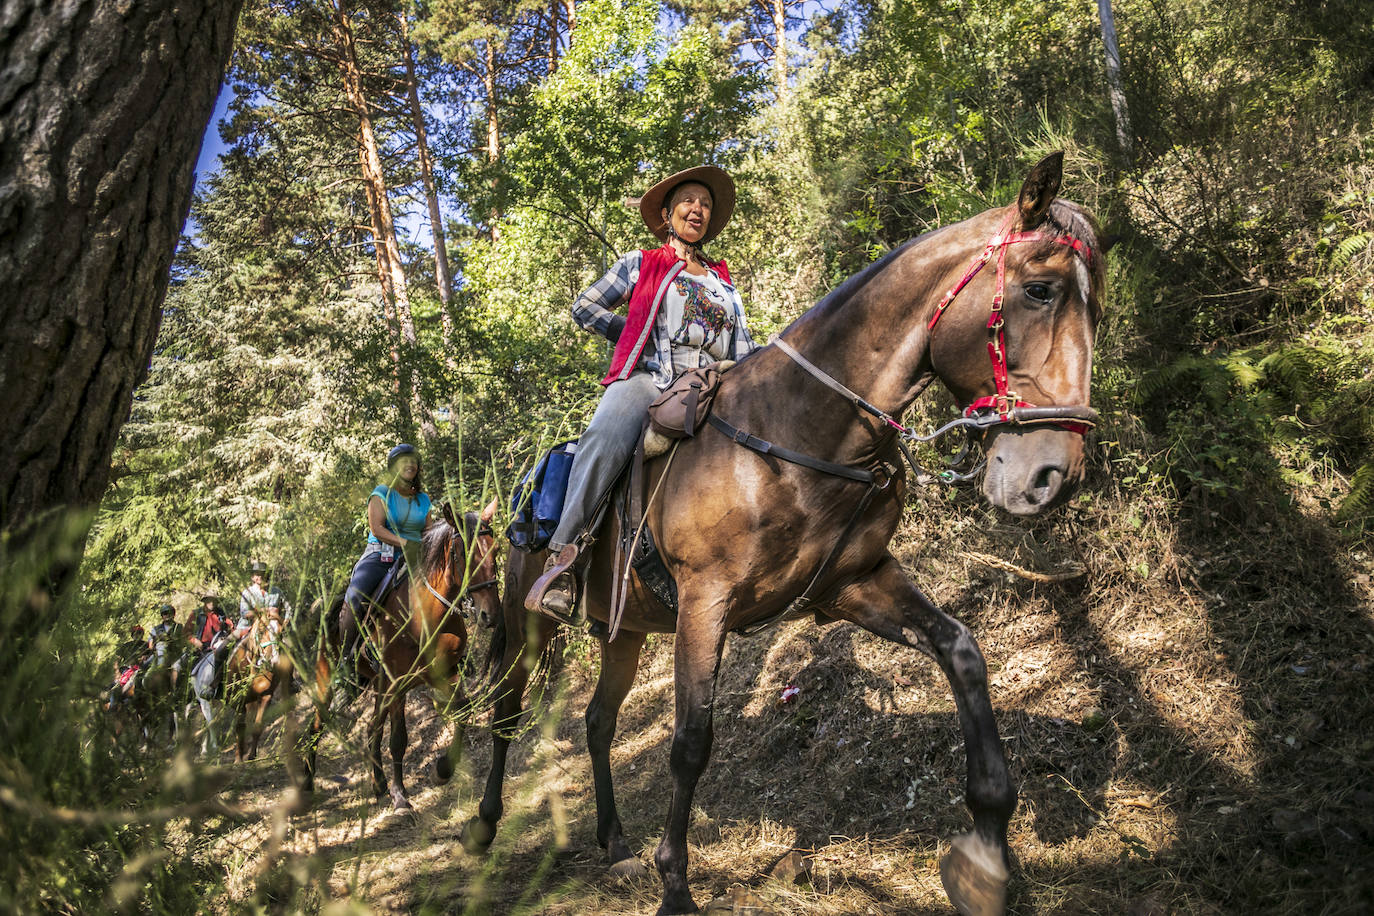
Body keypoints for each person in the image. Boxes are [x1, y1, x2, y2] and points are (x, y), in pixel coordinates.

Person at [526, 165, 757, 621]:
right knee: (604, 438)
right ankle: (565, 562)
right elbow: (584, 306)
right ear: (668, 215)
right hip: (651, 378)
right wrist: (634, 334)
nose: (699, 209)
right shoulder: (640, 263)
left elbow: (745, 348)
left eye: (706, 204)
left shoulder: (724, 282)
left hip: (715, 383)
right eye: (689, 201)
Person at [338, 443, 433, 679]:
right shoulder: (382, 493)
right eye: (404, 461)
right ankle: (345, 656)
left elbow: (429, 532)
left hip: (416, 558)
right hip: (381, 554)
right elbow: (377, 528)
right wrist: (405, 543)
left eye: (413, 461)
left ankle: (456, 651)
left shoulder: (423, 499)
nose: (410, 464)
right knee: (355, 596)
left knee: (446, 585)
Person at [235, 561, 291, 639]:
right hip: (247, 627)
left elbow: (288, 609)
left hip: (272, 628)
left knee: (290, 645)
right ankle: (216, 650)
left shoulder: (277, 592)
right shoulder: (247, 592)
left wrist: (284, 623)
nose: (260, 577)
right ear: (253, 577)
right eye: (257, 574)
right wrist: (263, 611)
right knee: (227, 644)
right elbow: (244, 613)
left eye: (263, 574)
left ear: (267, 576)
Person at [107, 623, 150, 710]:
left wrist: (146, 657)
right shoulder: (126, 646)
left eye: (139, 633)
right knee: (116, 685)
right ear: (132, 635)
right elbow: (116, 659)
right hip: (128, 669)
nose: (137, 635)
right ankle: (113, 706)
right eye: (135, 633)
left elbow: (154, 656)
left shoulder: (147, 645)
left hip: (143, 668)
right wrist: (116, 672)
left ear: (142, 635)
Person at [148, 603, 183, 687]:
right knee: (143, 671)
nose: (167, 615)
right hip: (158, 655)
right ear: (162, 615)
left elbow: (184, 642)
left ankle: (175, 691)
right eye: (165, 613)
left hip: (175, 655)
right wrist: (155, 642)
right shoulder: (155, 629)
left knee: (177, 668)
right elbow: (150, 645)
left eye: (169, 613)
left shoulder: (179, 627)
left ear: (173, 614)